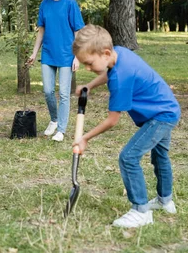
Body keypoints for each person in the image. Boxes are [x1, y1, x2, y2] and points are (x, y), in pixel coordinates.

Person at [72, 25, 181, 228]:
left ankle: (141, 211)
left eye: (88, 63)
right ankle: (165, 201)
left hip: (160, 117)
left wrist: (84, 138)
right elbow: (108, 72)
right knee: (160, 157)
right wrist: (90, 85)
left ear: (105, 53)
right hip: (167, 108)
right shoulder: (119, 53)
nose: (87, 68)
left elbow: (112, 120)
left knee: (128, 157)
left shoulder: (121, 78)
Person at [26, 0, 84, 142]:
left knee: (64, 94)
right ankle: (54, 119)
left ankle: (61, 129)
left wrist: (77, 56)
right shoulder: (45, 4)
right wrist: (34, 52)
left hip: (67, 54)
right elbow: (41, 30)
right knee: (48, 91)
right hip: (48, 53)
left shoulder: (70, 3)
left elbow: (78, 31)